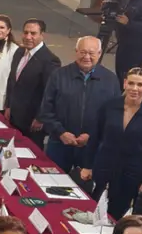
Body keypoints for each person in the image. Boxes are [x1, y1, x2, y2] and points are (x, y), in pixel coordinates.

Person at [80, 67, 142, 218]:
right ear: (124, 83)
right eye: (131, 83)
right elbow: (95, 138)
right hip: (104, 165)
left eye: (140, 85)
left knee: (117, 213)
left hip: (131, 172)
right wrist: (87, 165)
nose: (135, 89)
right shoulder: (109, 106)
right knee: (94, 208)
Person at [38, 36, 121, 173]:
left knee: (87, 190)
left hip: (92, 147)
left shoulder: (110, 80)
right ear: (76, 51)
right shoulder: (58, 75)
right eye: (83, 52)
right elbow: (46, 110)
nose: (87, 57)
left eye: (91, 53)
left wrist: (92, 136)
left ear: (99, 54)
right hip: (59, 144)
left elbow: (114, 116)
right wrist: (61, 132)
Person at [4, 18, 60, 145]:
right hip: (14, 115)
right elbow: (12, 81)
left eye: (33, 33)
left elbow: (50, 93)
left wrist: (40, 118)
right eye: (25, 32)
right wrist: (8, 105)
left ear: (42, 35)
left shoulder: (50, 60)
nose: (28, 37)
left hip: (32, 122)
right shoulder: (19, 52)